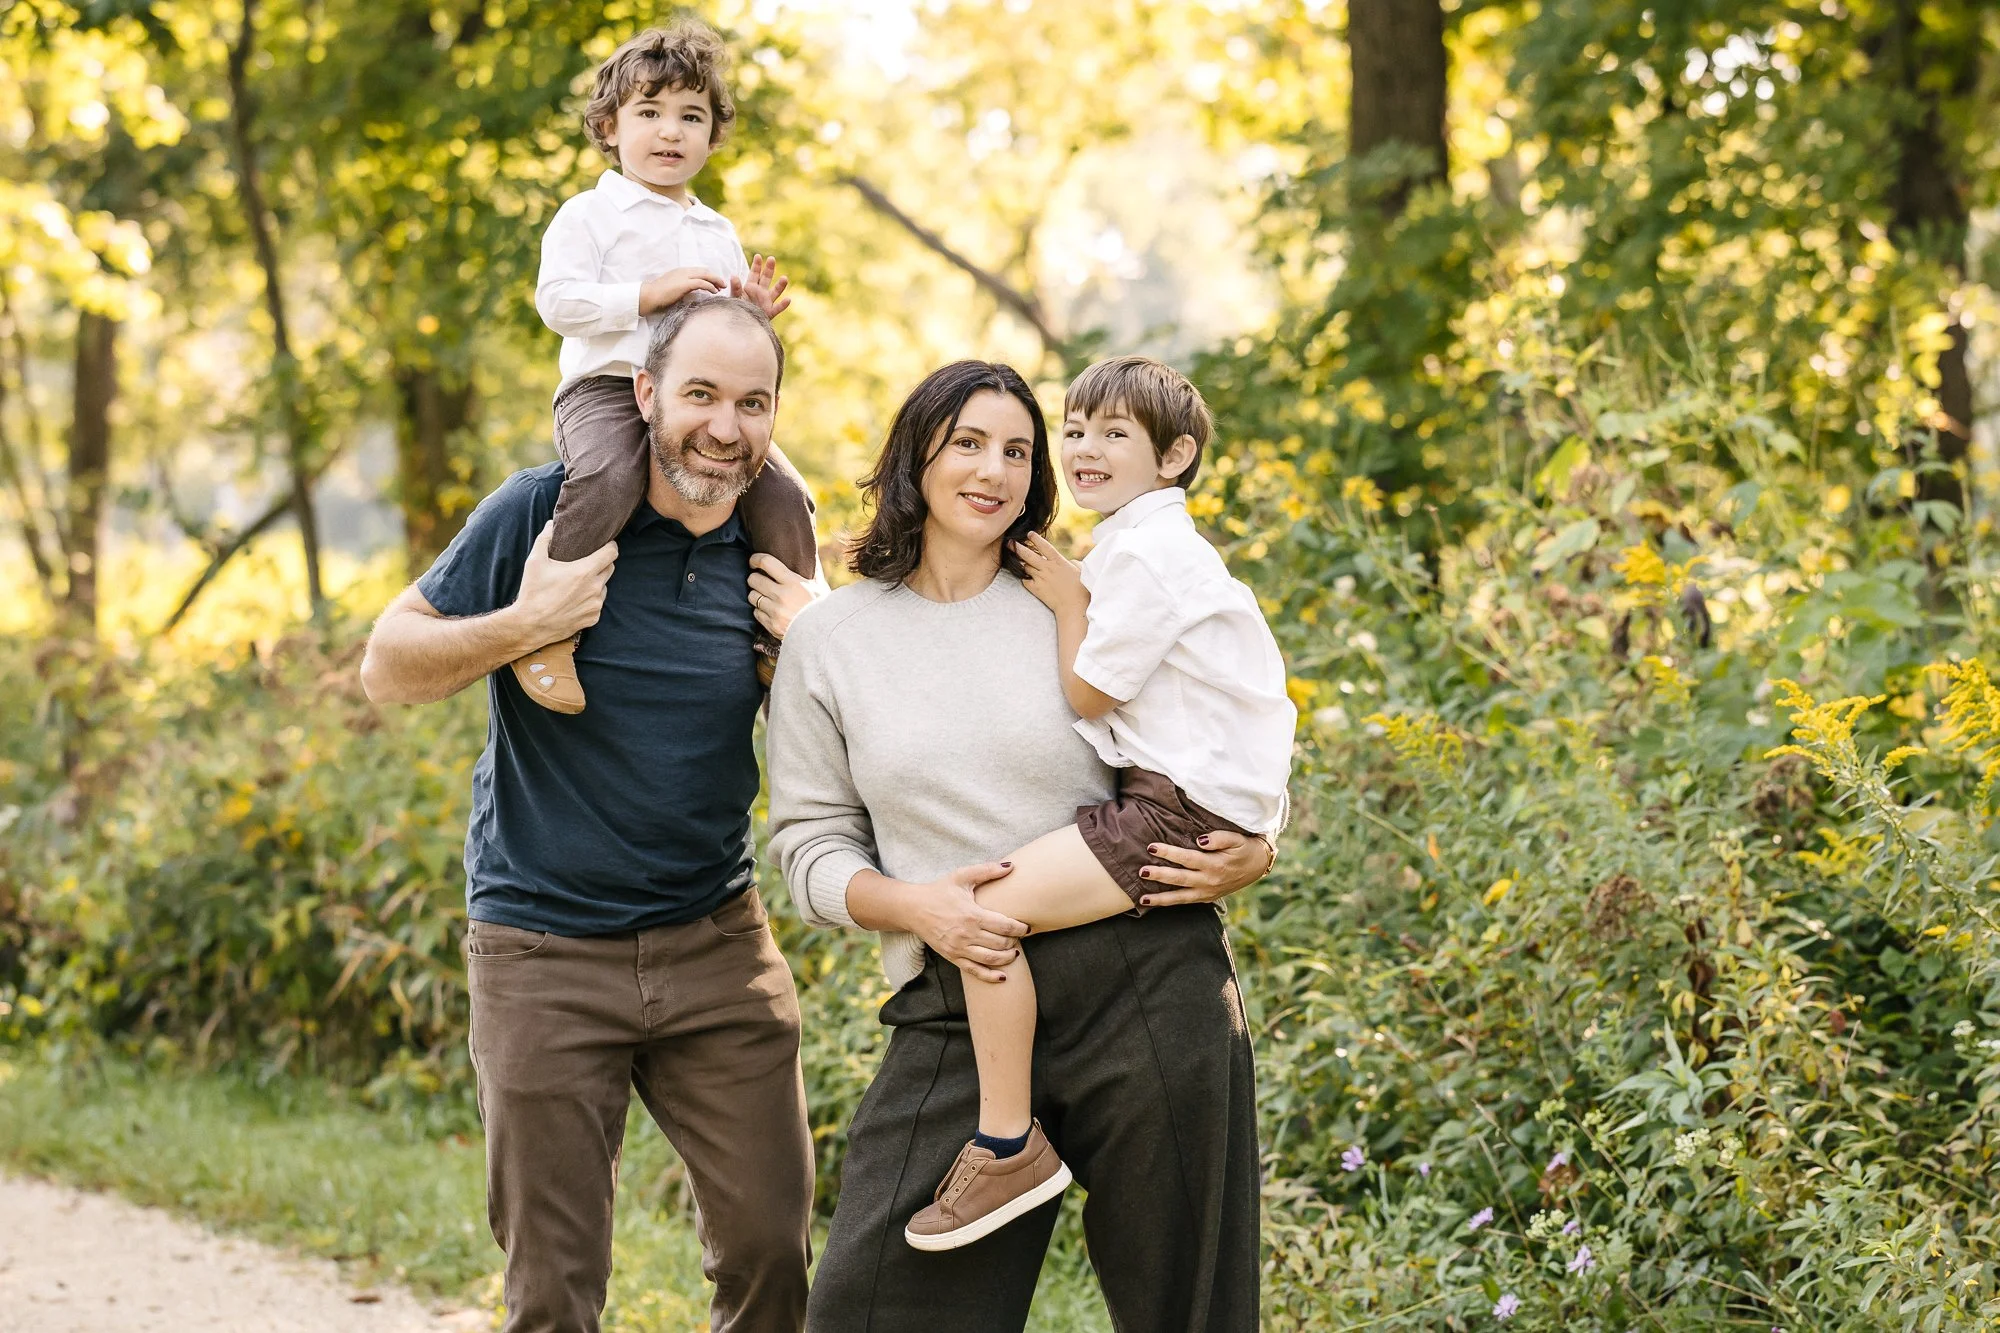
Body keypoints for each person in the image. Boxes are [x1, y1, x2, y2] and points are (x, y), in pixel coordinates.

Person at [766, 360, 1271, 1331]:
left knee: (1191, 1308)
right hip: (961, 986)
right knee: (867, 1307)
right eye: (966, 442)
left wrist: (1259, 842)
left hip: (1144, 973)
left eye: (1016, 449)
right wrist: (912, 906)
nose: (992, 469)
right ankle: (1005, 1144)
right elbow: (808, 840)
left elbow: (1217, 720)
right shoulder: (829, 638)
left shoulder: (1076, 598)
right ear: (915, 452)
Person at [359, 297, 818, 1333]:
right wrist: (526, 622)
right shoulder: (543, 512)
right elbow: (387, 664)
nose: (725, 426)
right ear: (646, 393)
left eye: (753, 402)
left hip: (716, 946)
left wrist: (817, 644)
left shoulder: (777, 551)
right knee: (553, 1293)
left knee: (769, 1256)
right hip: (542, 950)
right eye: (700, 394)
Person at [893, 354, 1295, 1250]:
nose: (1085, 448)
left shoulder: (1150, 557)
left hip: (1175, 808)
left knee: (984, 912)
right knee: (991, 910)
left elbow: (1089, 693)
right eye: (1074, 429)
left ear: (1175, 455)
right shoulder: (1136, 545)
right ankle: (1008, 1141)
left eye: (1116, 433)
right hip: (1188, 797)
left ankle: (1007, 1145)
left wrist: (1072, 601)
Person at [518, 19, 816, 712]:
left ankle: (784, 641)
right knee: (611, 473)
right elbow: (557, 301)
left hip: (700, 400)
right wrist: (644, 296)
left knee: (784, 493)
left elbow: (731, 337)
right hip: (609, 389)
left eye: (691, 116)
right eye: (649, 113)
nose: (671, 131)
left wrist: (751, 314)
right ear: (609, 126)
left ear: (713, 136)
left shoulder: (717, 231)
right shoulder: (589, 215)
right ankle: (548, 628)